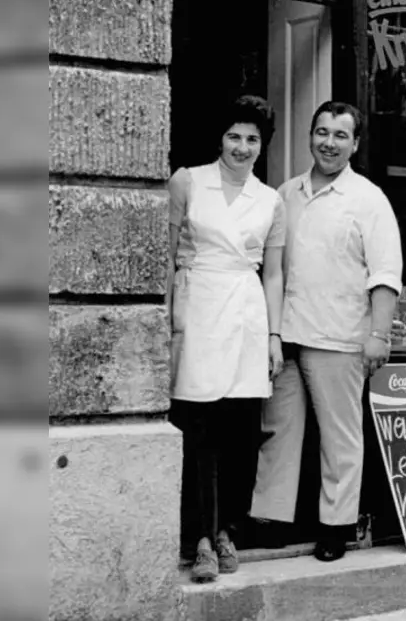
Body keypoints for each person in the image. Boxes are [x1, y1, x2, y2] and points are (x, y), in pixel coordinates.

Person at [251, 100, 403, 562]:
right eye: (321, 132)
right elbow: (272, 267)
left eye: (340, 135)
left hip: (339, 336)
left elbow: (385, 272)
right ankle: (271, 521)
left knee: (340, 437)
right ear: (310, 136)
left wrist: (379, 334)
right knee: (278, 430)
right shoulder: (286, 193)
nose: (328, 143)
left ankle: (336, 526)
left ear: (355, 143)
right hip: (287, 333)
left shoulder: (368, 199)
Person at [167, 95, 286, 583]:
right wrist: (163, 316)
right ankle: (198, 538)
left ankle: (225, 532)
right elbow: (165, 250)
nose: (242, 146)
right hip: (197, 306)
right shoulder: (188, 180)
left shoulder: (270, 199)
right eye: (234, 136)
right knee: (198, 426)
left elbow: (274, 273)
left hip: (246, 311)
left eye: (252, 139)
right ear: (220, 138)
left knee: (239, 429)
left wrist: (274, 334)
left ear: (263, 146)